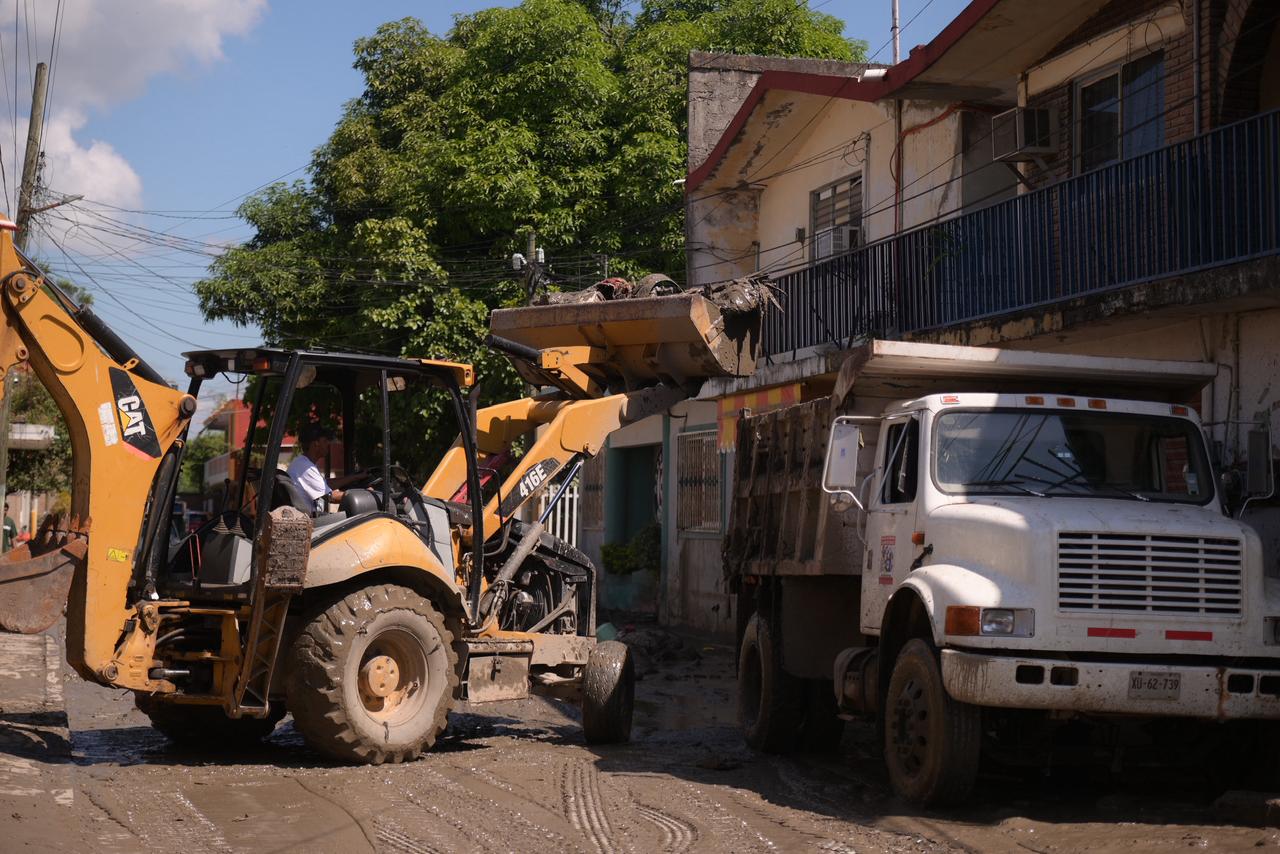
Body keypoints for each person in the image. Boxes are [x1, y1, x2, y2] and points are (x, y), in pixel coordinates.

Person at [287, 426, 346, 514]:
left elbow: (326, 484)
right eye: (325, 441)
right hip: (311, 523)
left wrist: (355, 477)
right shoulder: (305, 467)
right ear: (316, 443)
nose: (328, 444)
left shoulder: (304, 463)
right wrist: (365, 494)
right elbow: (330, 496)